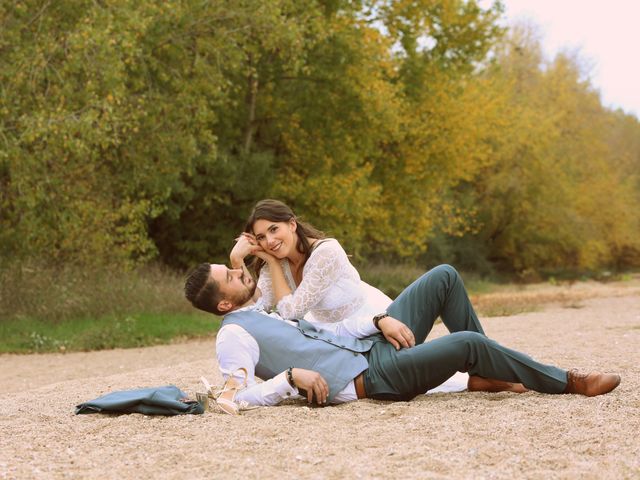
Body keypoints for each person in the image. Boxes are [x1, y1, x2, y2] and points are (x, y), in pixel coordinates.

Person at [184, 263, 621, 407]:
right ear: (223, 304)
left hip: (371, 348)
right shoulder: (234, 333)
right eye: (231, 274)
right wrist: (286, 379)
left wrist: (379, 321)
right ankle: (568, 382)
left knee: (444, 276)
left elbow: (330, 329)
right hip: (369, 379)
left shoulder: (260, 306)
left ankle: (487, 372)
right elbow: (229, 398)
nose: (240, 270)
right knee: (467, 345)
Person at [232, 199, 393, 340]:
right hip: (333, 333)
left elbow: (291, 312)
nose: (270, 241)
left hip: (371, 322)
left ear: (292, 224)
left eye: (274, 229)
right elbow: (258, 306)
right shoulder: (275, 260)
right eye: (261, 237)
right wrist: (237, 261)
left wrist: (273, 264)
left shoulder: (326, 253)